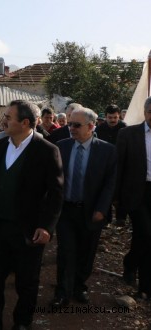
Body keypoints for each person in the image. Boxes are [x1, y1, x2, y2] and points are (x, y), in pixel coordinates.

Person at [0, 100, 63, 330]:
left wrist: (46, 227)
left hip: (28, 230)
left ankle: (22, 323)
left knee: (26, 282)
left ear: (25, 123)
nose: (3, 120)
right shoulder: (2, 145)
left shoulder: (47, 151)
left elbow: (55, 194)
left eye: (9, 117)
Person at [51, 108, 116, 307]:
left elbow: (110, 183)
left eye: (76, 125)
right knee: (66, 251)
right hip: (66, 211)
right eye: (70, 124)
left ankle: (79, 287)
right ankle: (62, 292)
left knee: (87, 253)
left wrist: (101, 209)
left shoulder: (107, 150)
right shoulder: (61, 147)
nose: (71, 128)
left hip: (92, 211)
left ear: (91, 126)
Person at [115, 96, 151, 299]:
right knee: (147, 235)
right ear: (146, 112)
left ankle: (130, 264)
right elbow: (119, 166)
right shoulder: (128, 134)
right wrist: (116, 199)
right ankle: (145, 287)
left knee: (142, 237)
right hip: (137, 193)